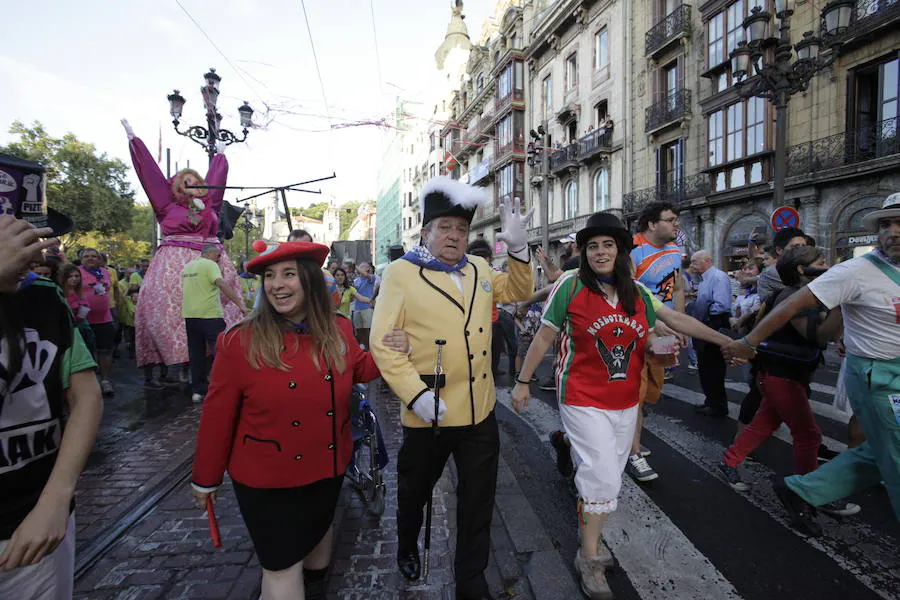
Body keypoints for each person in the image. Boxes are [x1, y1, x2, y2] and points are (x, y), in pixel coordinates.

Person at [511, 212, 736, 600]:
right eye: (593, 246)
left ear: (620, 251)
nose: (600, 252)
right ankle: (590, 556)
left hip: (624, 398)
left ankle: (580, 491)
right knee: (602, 477)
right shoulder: (570, 285)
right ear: (584, 253)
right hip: (581, 396)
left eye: (608, 245)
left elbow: (675, 318)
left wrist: (725, 342)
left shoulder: (635, 292)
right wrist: (523, 382)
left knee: (608, 474)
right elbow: (545, 337)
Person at [191, 242, 405, 600]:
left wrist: (389, 349)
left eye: (288, 274)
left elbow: (358, 370)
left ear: (308, 280)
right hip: (268, 478)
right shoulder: (240, 341)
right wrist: (205, 479)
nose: (277, 284)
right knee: (281, 567)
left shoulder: (337, 329)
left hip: (327, 467)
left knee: (316, 551)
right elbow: (217, 416)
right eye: (270, 277)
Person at [370, 177, 534, 600]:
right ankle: (408, 542)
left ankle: (471, 582)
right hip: (429, 411)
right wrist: (416, 395)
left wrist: (518, 249)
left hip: (479, 410)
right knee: (414, 491)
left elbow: (520, 290)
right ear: (426, 232)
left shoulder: (479, 268)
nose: (454, 236)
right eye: (444, 228)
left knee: (478, 501)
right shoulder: (401, 274)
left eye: (461, 230)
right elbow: (382, 343)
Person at [724, 193, 900, 532]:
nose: (892, 231)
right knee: (810, 434)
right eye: (886, 224)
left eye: (899, 224)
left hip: (793, 373)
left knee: (877, 452)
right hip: (868, 378)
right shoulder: (853, 272)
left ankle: (800, 489)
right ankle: (794, 483)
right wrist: (747, 343)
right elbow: (801, 324)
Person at [0, 214, 103, 600]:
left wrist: (56, 499)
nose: (36, 250)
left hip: (35, 526)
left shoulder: (42, 296)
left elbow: (85, 394)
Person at [121, 120, 245, 377]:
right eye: (186, 181)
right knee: (176, 314)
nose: (194, 184)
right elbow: (150, 176)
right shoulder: (166, 206)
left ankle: (214, 367)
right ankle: (180, 366)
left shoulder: (210, 208)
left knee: (219, 313)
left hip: (212, 263)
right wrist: (135, 141)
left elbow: (216, 182)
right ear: (177, 187)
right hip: (175, 267)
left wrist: (220, 156)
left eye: (196, 181)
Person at [718, 248, 845, 494]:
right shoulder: (795, 296)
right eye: (820, 262)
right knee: (808, 436)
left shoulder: (796, 294)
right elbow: (817, 334)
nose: (826, 265)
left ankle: (729, 461)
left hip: (782, 373)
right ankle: (809, 489)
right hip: (783, 376)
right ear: (802, 269)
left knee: (764, 423)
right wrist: (841, 303)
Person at [627, 202, 685, 483]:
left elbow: (680, 287)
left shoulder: (675, 250)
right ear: (652, 224)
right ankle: (634, 451)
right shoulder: (632, 250)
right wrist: (651, 323)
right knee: (635, 396)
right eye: (671, 220)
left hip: (665, 332)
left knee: (652, 391)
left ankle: (629, 437)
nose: (677, 225)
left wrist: (679, 321)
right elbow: (627, 293)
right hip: (639, 334)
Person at [182, 244, 248, 403]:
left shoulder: (188, 267)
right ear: (210, 253)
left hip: (190, 316)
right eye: (218, 256)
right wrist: (240, 305)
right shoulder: (210, 265)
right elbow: (222, 284)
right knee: (221, 351)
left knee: (196, 354)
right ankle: (226, 387)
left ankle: (198, 391)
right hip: (210, 315)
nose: (219, 260)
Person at [689, 250, 733, 418]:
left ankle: (718, 405)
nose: (692, 265)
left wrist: (705, 317)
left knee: (713, 367)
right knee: (705, 366)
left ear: (706, 261)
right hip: (704, 322)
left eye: (694, 261)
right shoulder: (705, 278)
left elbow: (720, 305)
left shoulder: (718, 277)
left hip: (713, 323)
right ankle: (711, 401)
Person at [78, 248, 117, 396]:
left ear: (99, 259)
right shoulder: (77, 272)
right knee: (86, 353)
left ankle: (105, 381)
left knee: (106, 350)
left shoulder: (105, 272)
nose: (90, 259)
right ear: (81, 259)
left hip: (104, 318)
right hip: (83, 320)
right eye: (86, 256)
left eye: (94, 256)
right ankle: (89, 383)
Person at [756, 227, 807, 299]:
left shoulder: (799, 268)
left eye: (804, 247)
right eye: (796, 247)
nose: (802, 251)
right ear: (779, 250)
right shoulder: (773, 272)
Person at [59, 264, 96, 359]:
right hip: (68, 332)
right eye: (70, 276)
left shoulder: (79, 291)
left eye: (77, 276)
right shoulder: (59, 292)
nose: (74, 279)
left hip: (84, 330)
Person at [351, 263, 379, 348]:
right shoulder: (356, 280)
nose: (361, 268)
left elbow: (365, 274)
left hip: (367, 307)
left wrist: (355, 265)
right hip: (357, 308)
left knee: (368, 329)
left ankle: (371, 347)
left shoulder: (371, 278)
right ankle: (365, 346)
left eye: (363, 266)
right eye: (361, 266)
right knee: (359, 330)